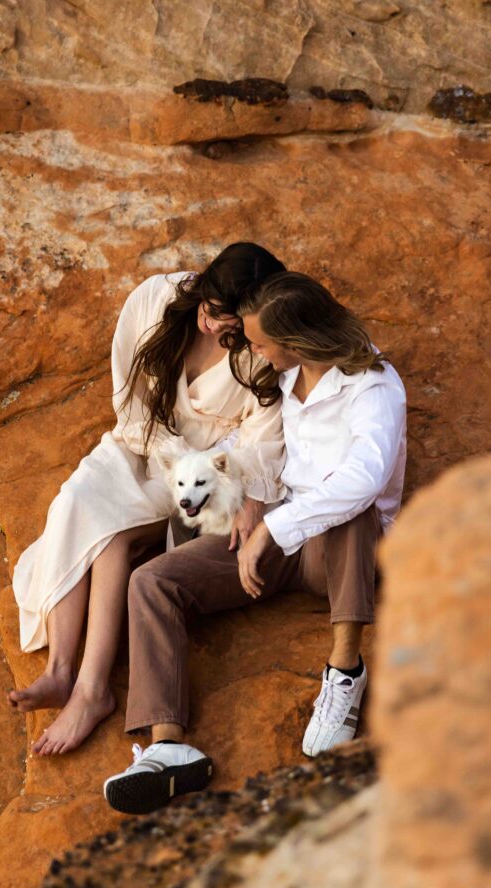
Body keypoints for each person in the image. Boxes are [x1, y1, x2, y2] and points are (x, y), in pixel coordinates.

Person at [102, 271, 407, 814]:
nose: (253, 353)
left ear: (296, 342)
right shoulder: (285, 378)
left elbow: (365, 477)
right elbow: (260, 449)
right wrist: (253, 508)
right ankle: (168, 748)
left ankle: (345, 675)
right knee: (152, 582)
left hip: (337, 549)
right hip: (278, 531)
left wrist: (272, 528)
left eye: (262, 343)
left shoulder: (373, 387)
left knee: (352, 509)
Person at [9, 243, 287, 756]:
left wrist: (219, 480)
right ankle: (60, 672)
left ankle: (88, 689)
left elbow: (260, 444)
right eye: (207, 309)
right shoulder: (159, 300)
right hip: (142, 442)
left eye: (224, 322)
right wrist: (168, 448)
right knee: (75, 500)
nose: (207, 326)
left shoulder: (263, 353)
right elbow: (130, 402)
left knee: (112, 534)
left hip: (197, 475)